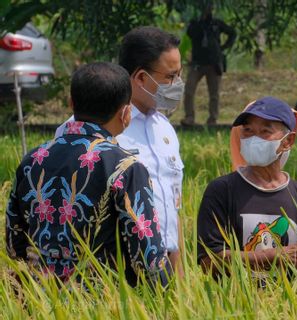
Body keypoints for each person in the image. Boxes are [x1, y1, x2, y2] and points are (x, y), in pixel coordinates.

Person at [6, 62, 170, 286]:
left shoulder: (32, 161)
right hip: (103, 302)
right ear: (125, 113)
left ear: (71, 103)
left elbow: (14, 242)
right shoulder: (126, 167)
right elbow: (148, 257)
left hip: (39, 300)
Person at [55, 27, 185, 274]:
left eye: (179, 75)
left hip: (162, 268)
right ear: (140, 78)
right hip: (110, 270)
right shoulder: (84, 129)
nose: (177, 84)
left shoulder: (165, 130)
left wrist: (178, 278)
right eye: (170, 77)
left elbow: (171, 206)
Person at [197, 97, 297, 275]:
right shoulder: (221, 191)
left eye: (265, 131)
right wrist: (273, 255)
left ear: (288, 141)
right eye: (248, 130)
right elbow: (208, 260)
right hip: (237, 301)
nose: (254, 138)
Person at [181, 4, 236, 126]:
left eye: (209, 8)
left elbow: (232, 33)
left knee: (214, 93)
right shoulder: (195, 24)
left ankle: (213, 118)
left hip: (214, 63)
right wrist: (200, 22)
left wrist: (223, 48)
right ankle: (189, 117)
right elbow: (190, 34)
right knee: (189, 89)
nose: (207, 11)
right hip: (197, 63)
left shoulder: (216, 24)